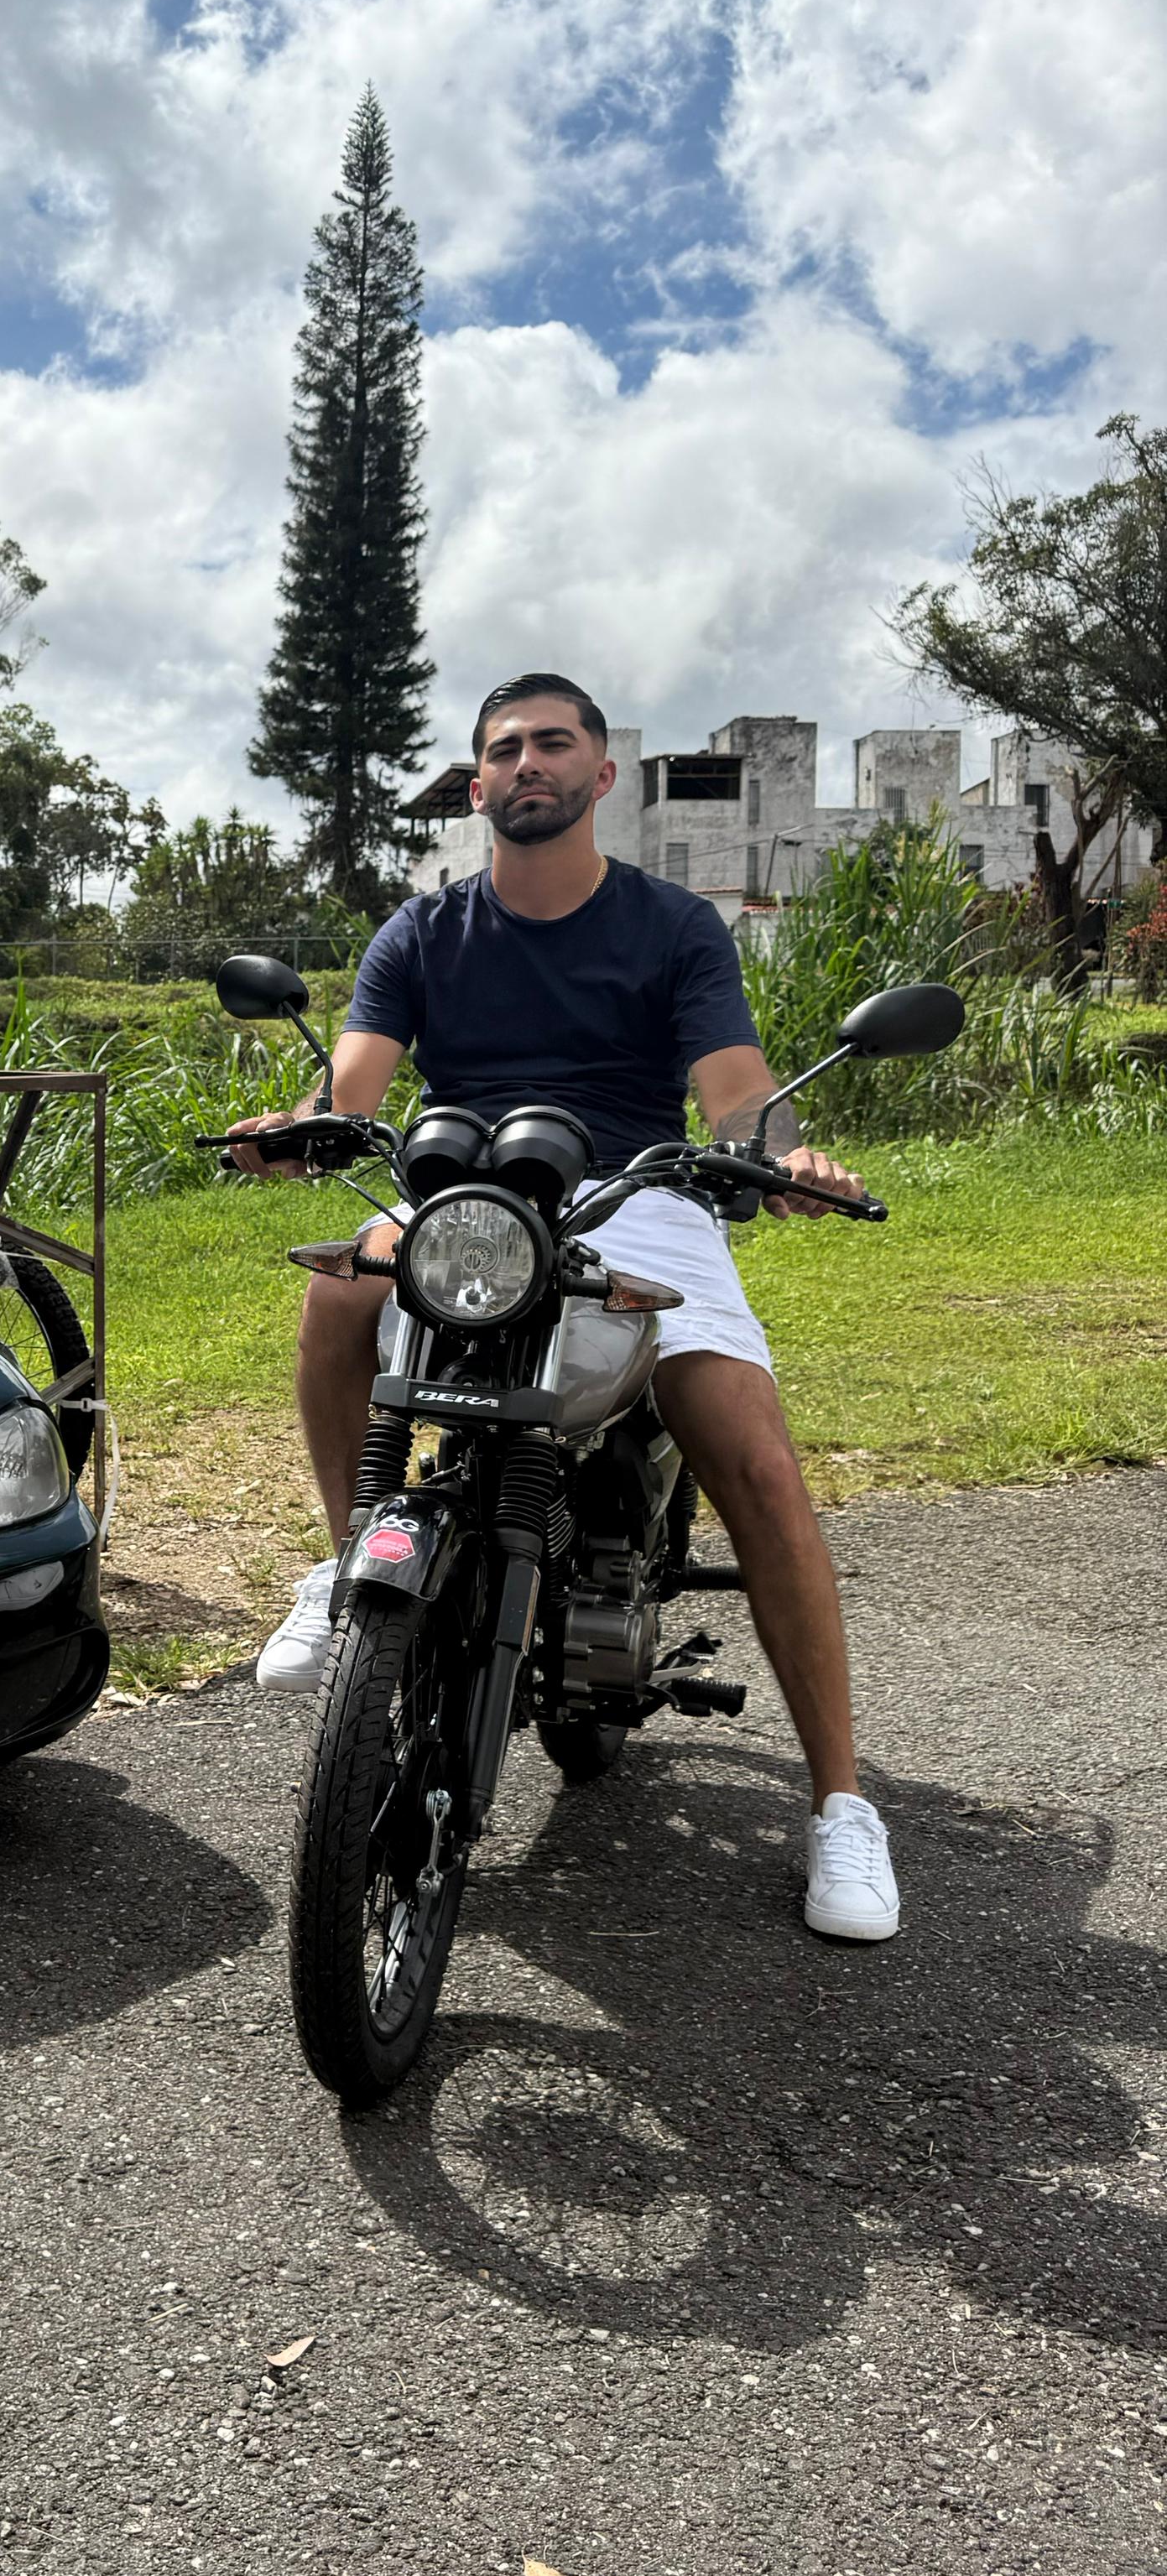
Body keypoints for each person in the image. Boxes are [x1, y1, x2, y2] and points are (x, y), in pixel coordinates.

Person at [227, 671, 899, 1944]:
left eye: (553, 743)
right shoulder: (421, 933)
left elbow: (737, 1086)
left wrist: (784, 1152)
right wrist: (299, 1131)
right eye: (502, 750)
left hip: (641, 1194)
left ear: (600, 775)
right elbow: (356, 1087)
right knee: (336, 1295)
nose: (526, 763)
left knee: (752, 1455)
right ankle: (340, 1564)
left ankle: (842, 1803)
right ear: (476, 787)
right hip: (470, 1196)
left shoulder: (673, 926)